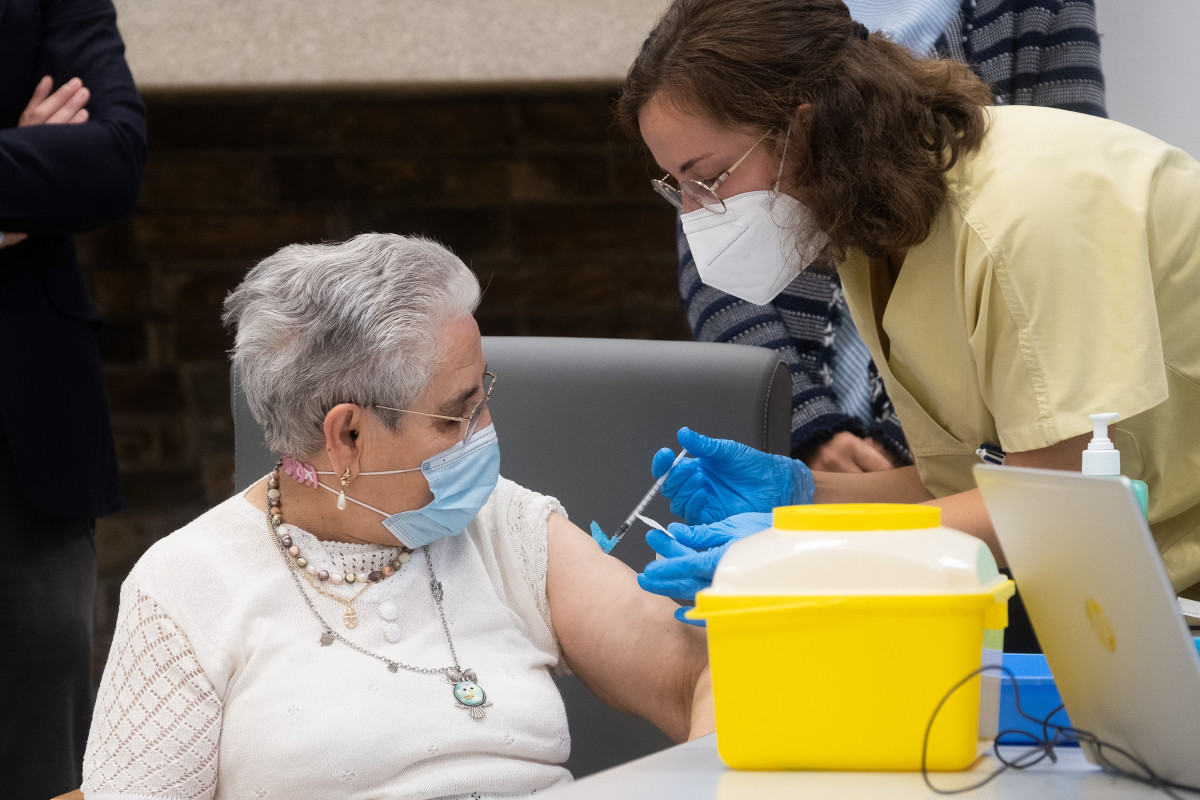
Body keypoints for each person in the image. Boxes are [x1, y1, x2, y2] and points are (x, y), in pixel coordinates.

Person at [616, 0, 1200, 620]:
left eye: (706, 177)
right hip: (1130, 584)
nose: (693, 212)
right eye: (675, 186)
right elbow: (966, 489)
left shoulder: (1027, 212)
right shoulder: (877, 233)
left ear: (804, 130)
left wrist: (795, 545)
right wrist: (804, 494)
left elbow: (1062, 504)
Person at [80, 233, 712, 798]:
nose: (484, 432)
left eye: (483, 396)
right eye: (454, 415)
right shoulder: (188, 586)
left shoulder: (504, 524)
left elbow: (695, 673)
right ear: (348, 436)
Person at [673, 0, 1107, 474]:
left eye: (710, 182)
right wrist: (805, 425)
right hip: (841, 419)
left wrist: (924, 443)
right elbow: (715, 245)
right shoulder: (847, 235)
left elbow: (1059, 223)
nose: (696, 212)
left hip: (993, 412)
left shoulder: (1023, 202)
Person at [0, 1, 147, 797]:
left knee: (41, 741)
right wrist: (24, 172)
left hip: (23, 436)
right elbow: (63, 169)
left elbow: (111, 158)